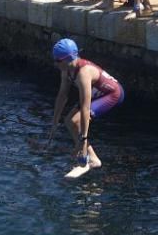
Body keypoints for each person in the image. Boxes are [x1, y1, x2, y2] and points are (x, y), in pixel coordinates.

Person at [51, 38, 125, 175]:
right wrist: (55, 121)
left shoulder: (83, 73)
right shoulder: (66, 70)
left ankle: (88, 157)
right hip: (98, 93)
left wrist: (83, 140)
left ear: (66, 60)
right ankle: (93, 158)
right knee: (68, 121)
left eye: (56, 61)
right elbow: (62, 96)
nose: (55, 64)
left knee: (76, 121)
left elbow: (85, 109)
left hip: (113, 94)